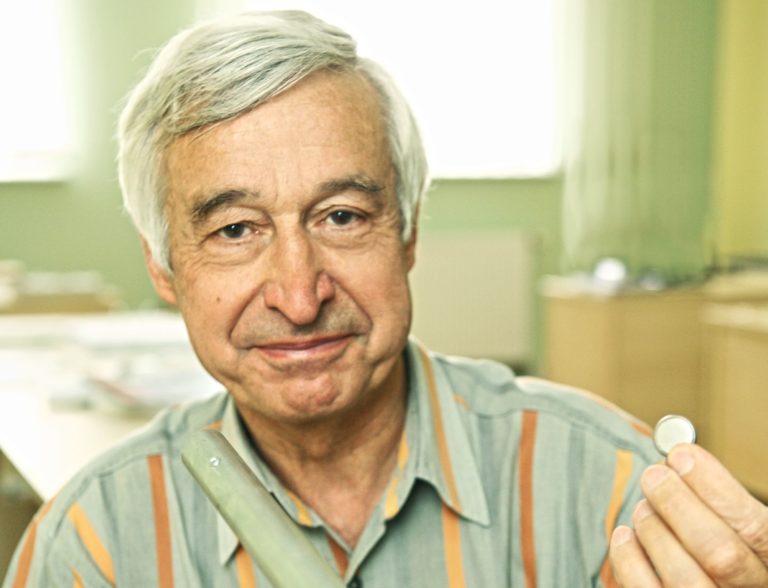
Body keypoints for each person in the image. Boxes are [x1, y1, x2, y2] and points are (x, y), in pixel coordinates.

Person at [4, 10, 767, 587]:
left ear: (407, 232)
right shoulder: (92, 550)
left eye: (341, 217)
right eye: (235, 230)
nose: (299, 297)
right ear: (164, 267)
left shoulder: (611, 490)